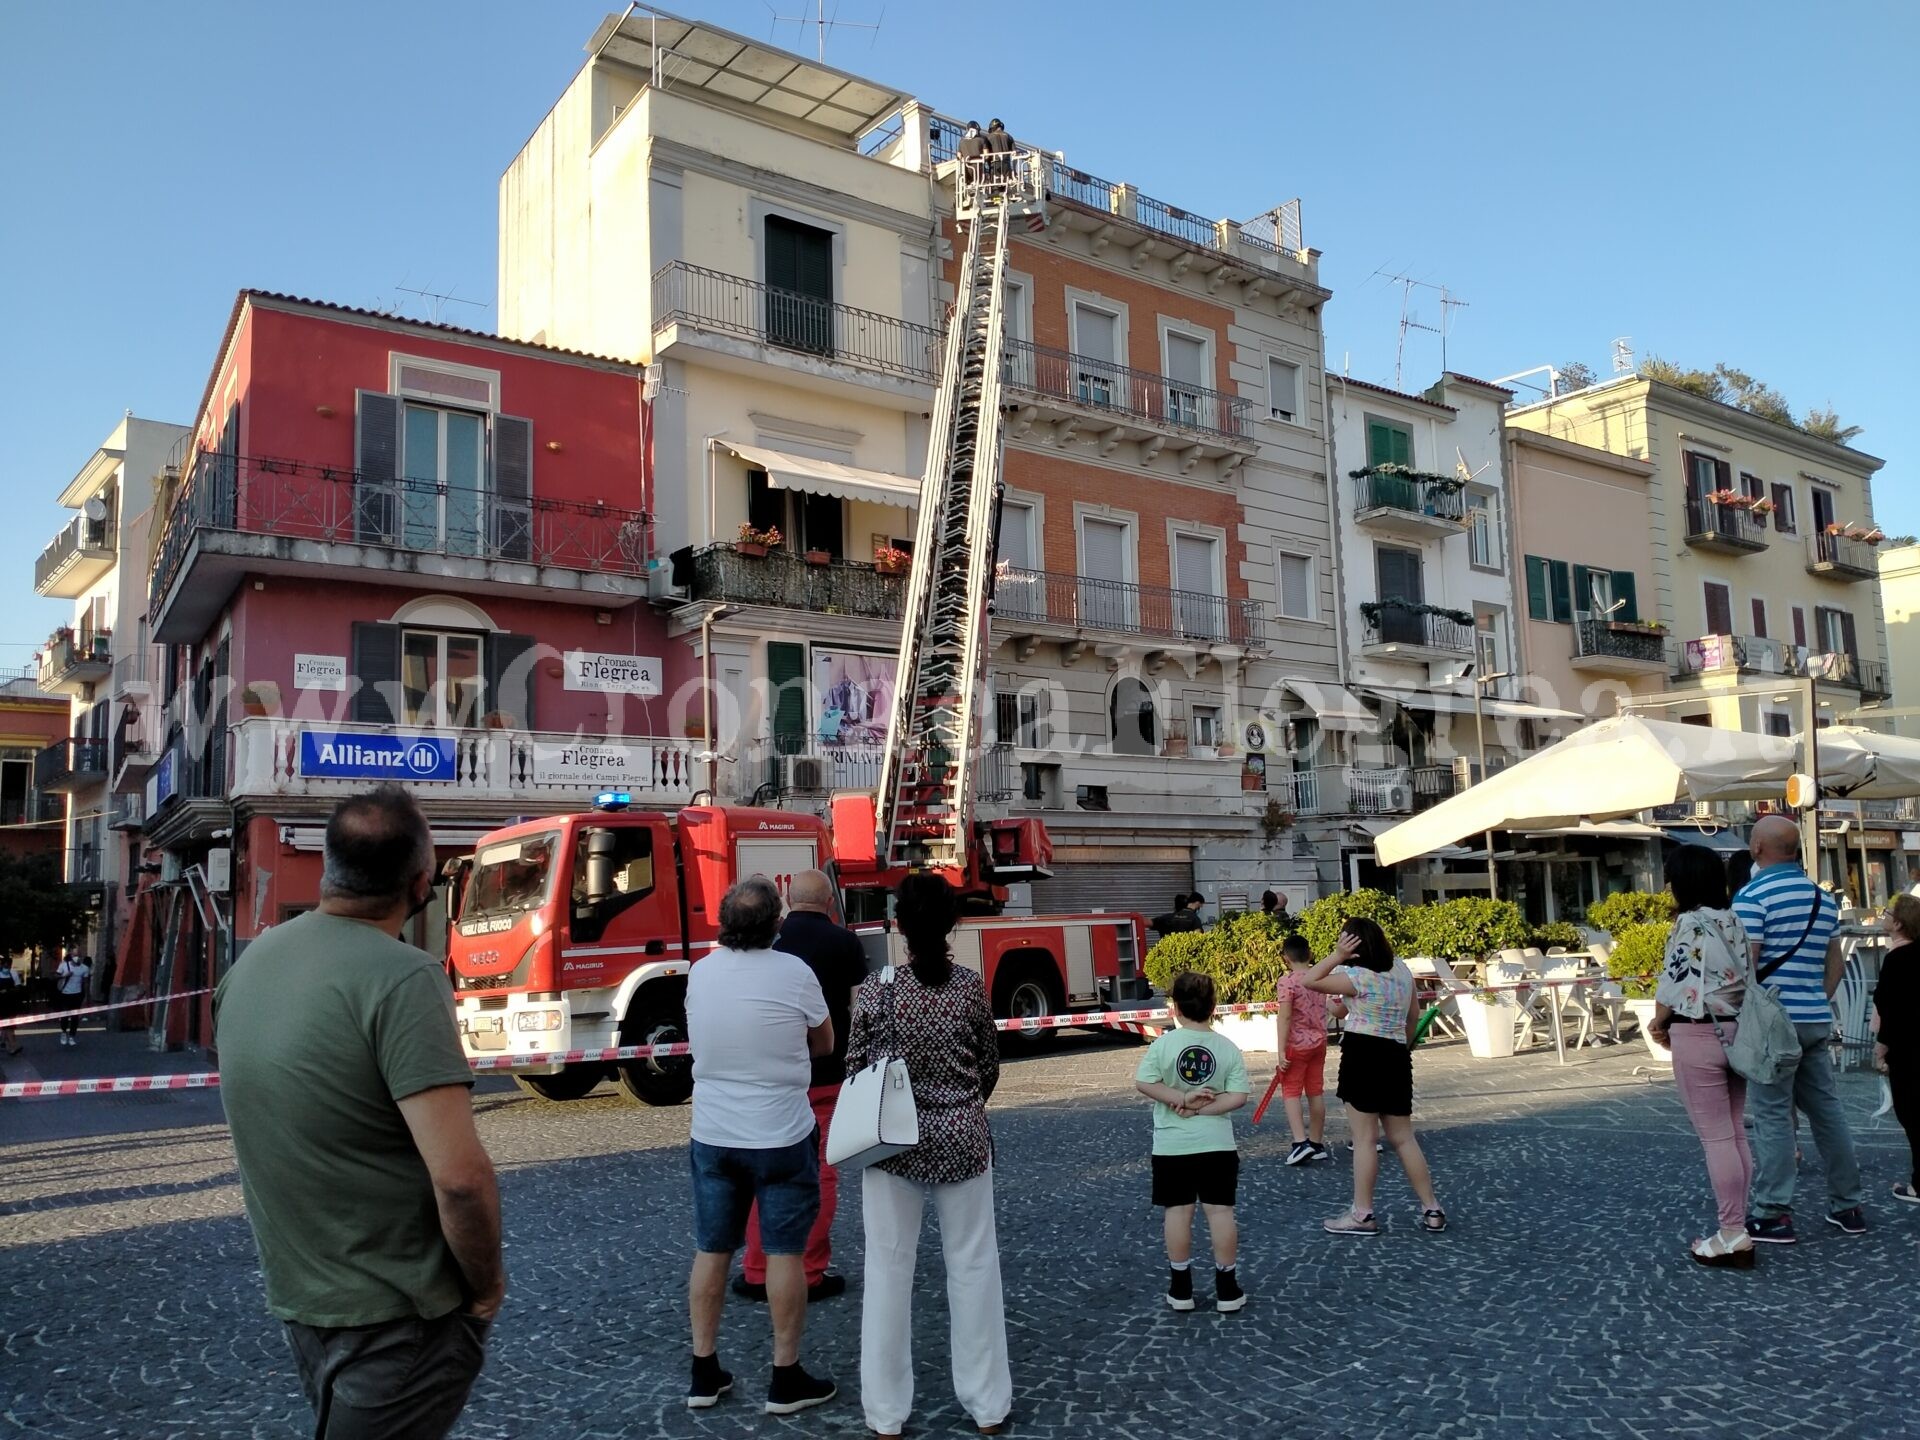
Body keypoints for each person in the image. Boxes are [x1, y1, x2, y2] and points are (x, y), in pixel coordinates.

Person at [215, 785, 502, 1440]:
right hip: (399, 1312)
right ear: (423, 879)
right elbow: (460, 1178)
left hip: (303, 1300)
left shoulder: (250, 966)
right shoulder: (405, 977)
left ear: (327, 868)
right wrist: (486, 1290)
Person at [848, 872, 1011, 1439]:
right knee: (973, 1267)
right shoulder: (969, 989)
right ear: (952, 925)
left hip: (892, 1144)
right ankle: (988, 1404)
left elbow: (855, 1072)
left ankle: (886, 1413)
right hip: (963, 1137)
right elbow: (989, 1066)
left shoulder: (875, 992)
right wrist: (959, 1104)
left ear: (897, 926)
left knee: (888, 1273)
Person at [683, 876, 837, 1416]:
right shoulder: (795, 972)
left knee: (712, 1249)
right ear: (777, 923)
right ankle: (785, 1375)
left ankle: (704, 1371)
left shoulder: (700, 972)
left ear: (725, 924)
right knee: (784, 1253)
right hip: (780, 1131)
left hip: (714, 1131)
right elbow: (825, 1043)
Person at [736, 869, 868, 1304]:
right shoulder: (846, 944)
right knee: (821, 1173)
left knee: (763, 1173)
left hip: (773, 1079)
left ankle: (757, 1269)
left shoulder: (768, 942)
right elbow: (857, 1008)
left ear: (789, 901)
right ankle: (811, 1270)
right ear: (831, 902)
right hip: (828, 1076)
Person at [1731, 815, 1865, 1243]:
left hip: (1773, 1023)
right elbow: (1836, 964)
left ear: (1757, 848)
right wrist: (1817, 998)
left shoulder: (1750, 897)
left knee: (1772, 1116)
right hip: (1813, 1018)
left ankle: (1773, 1212)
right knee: (1827, 1111)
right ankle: (1848, 1205)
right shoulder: (1821, 900)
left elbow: (1745, 965)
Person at [1647, 845, 1755, 1269]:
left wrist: (1658, 1024)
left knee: (1716, 1138)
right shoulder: (1733, 919)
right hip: (1737, 1031)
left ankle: (1731, 1232)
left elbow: (1675, 983)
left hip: (1697, 1032)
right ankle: (1739, 1224)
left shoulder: (1689, 923)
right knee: (1735, 1133)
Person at [1303, 917, 1446, 1235]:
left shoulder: (1356, 977)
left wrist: (1337, 956)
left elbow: (1310, 980)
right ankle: (1431, 1207)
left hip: (1362, 1055)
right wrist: (1403, 1046)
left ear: (1353, 946)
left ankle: (1362, 1214)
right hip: (1395, 1054)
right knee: (1404, 1138)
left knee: (1365, 1139)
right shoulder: (1402, 969)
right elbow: (1412, 1017)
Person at [1134, 970, 1250, 1313]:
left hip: (1173, 1146)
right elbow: (1239, 1096)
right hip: (1217, 1145)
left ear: (1175, 1008)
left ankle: (1180, 1288)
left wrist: (1179, 1100)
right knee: (1221, 1213)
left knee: (1177, 1212)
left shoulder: (1164, 1044)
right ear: (1213, 1007)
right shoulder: (1227, 1048)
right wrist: (1204, 1109)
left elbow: (1145, 1082)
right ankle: (1227, 1289)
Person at [1872, 893, 1920, 1204]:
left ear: (1898, 923)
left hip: (1906, 1048)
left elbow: (1888, 1008)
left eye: (1888, 912)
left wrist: (1880, 1048)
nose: (1884, 915)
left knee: (1911, 1113)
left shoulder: (1896, 960)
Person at [1274, 933, 1331, 1165]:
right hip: (1319, 1042)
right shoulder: (1320, 977)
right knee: (1315, 1092)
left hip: (1296, 1045)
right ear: (1309, 953)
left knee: (1291, 1092)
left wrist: (1280, 1049)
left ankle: (1300, 1143)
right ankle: (1317, 1142)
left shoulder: (1287, 982)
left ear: (1286, 957)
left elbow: (1285, 1017)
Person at [55, 948, 91, 1047]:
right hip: (65, 994)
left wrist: (86, 997)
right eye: (75, 955)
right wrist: (64, 975)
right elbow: (55, 976)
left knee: (75, 1017)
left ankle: (72, 1036)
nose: (77, 957)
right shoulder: (64, 966)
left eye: (79, 955)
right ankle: (63, 1032)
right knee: (65, 1015)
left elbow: (86, 983)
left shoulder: (84, 968)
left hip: (77, 994)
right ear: (71, 956)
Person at [0, 961, 21, 1057]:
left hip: (11, 1002)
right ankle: (12, 1046)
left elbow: (18, 987)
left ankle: (3, 1042)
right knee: (7, 1025)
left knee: (8, 1024)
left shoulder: (13, 973)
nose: (6, 965)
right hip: (2, 1003)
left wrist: (8, 990)